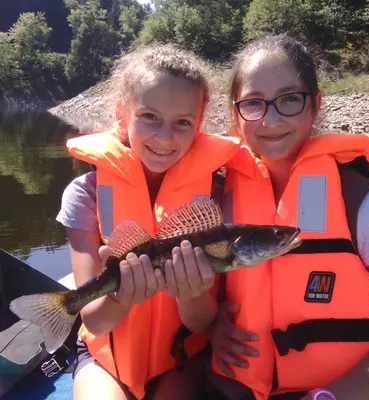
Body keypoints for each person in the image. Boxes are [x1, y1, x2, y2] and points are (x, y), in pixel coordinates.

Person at [208, 34, 369, 400]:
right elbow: (198, 304)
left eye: (289, 99)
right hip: (238, 390)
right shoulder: (216, 198)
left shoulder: (363, 202)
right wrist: (210, 323)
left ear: (315, 106)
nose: (272, 118)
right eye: (253, 103)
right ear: (235, 114)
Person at [56, 43, 243, 400]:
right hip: (105, 360)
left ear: (198, 125)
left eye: (182, 123)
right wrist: (121, 298)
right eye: (149, 117)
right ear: (122, 113)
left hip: (180, 359)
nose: (164, 137)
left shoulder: (217, 195)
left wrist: (191, 293)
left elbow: (202, 322)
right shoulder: (84, 195)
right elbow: (94, 321)